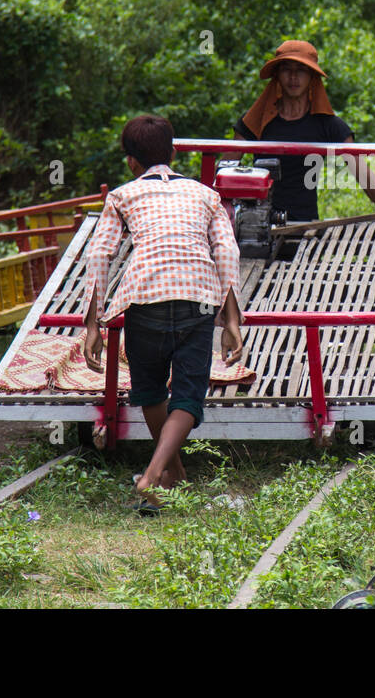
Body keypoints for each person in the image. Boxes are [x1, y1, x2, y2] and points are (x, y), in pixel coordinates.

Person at [81, 114, 243, 514]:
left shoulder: (120, 196)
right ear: (174, 152)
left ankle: (152, 475)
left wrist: (93, 324)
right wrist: (232, 320)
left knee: (151, 391)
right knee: (187, 396)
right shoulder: (206, 194)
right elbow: (226, 251)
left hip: (144, 300)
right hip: (198, 299)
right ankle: (170, 477)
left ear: (131, 163)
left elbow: (101, 254)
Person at [233, 40, 375, 222]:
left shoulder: (328, 125)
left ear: (312, 77)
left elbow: (365, 177)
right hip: (257, 225)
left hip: (305, 227)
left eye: (301, 70)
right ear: (278, 75)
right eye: (286, 69)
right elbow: (224, 171)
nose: (293, 77)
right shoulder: (256, 119)